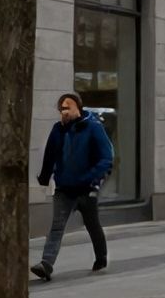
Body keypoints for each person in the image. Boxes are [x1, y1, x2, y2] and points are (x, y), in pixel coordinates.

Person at [32, 93, 113, 281]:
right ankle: (46, 264)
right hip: (64, 188)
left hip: (86, 188)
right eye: (62, 109)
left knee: (92, 225)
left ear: (78, 108)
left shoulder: (93, 127)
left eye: (68, 107)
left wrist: (91, 178)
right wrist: (44, 178)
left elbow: (106, 158)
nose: (64, 112)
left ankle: (101, 258)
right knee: (57, 227)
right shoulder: (58, 130)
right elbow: (50, 155)